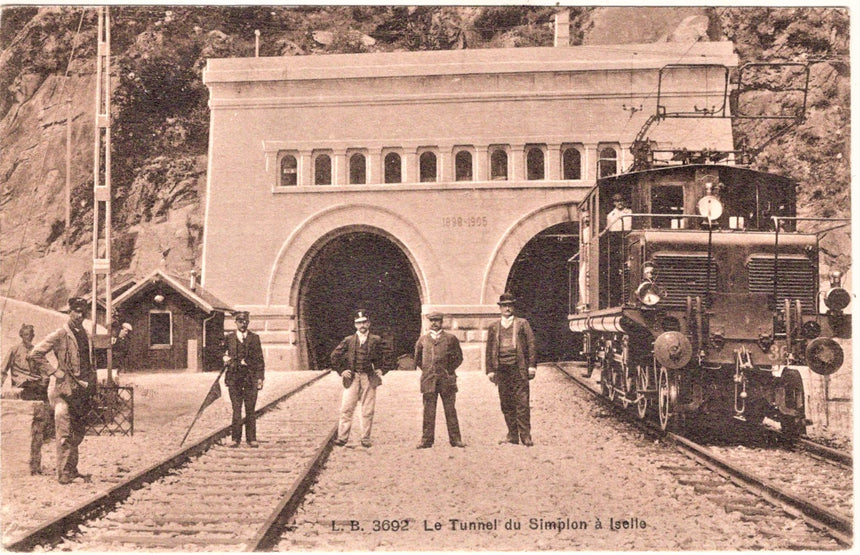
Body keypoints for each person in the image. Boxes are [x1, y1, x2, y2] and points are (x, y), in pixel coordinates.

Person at [29, 297, 96, 484]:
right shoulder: (60, 334)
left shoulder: (86, 334)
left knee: (77, 432)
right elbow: (35, 353)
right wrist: (54, 371)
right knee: (64, 432)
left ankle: (72, 470)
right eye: (76, 310)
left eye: (83, 312)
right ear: (69, 312)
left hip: (80, 392)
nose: (79, 315)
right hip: (61, 391)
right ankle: (64, 473)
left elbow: (90, 363)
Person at [331, 309, 392, 448]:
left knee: (367, 409)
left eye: (364, 322)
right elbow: (334, 356)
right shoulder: (349, 340)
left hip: (368, 377)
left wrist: (382, 369)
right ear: (355, 325)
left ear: (369, 323)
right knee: (346, 408)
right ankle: (342, 438)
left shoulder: (376, 340)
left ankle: (365, 438)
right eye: (358, 323)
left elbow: (388, 355)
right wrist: (342, 370)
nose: (362, 325)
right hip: (352, 377)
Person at [485, 292, 537, 446]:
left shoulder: (522, 324)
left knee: (522, 403)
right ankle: (512, 435)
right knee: (506, 403)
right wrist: (490, 370)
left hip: (518, 368)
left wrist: (532, 366)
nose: (507, 308)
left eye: (510, 305)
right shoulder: (494, 327)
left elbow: (531, 345)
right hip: (502, 370)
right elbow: (489, 349)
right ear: (500, 308)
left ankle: (525, 436)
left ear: (513, 307)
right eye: (504, 306)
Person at [3, 324, 50, 475]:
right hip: (22, 384)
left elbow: (45, 370)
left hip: (36, 385)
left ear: (33, 336)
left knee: (44, 410)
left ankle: (45, 435)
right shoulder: (14, 350)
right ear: (21, 335)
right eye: (25, 335)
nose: (27, 337)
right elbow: (2, 369)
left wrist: (45, 379)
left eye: (30, 335)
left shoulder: (37, 351)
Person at [414, 312, 465, 449]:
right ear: (428, 322)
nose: (434, 323)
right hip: (429, 380)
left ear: (442, 322)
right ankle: (426, 440)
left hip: (446, 380)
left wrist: (448, 370)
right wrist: (428, 370)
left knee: (450, 410)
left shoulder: (450, 339)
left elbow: (458, 358)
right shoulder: (423, 340)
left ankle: (455, 440)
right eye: (432, 321)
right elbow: (418, 359)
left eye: (437, 320)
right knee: (428, 411)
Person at [222, 311, 265, 448]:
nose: (243, 323)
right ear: (236, 322)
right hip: (234, 378)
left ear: (248, 322)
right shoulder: (229, 338)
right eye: (240, 321)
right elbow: (218, 352)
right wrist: (224, 357)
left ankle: (251, 438)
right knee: (236, 409)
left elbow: (260, 360)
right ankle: (235, 438)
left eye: (245, 321)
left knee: (250, 409)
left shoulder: (254, 338)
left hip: (250, 378)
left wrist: (260, 378)